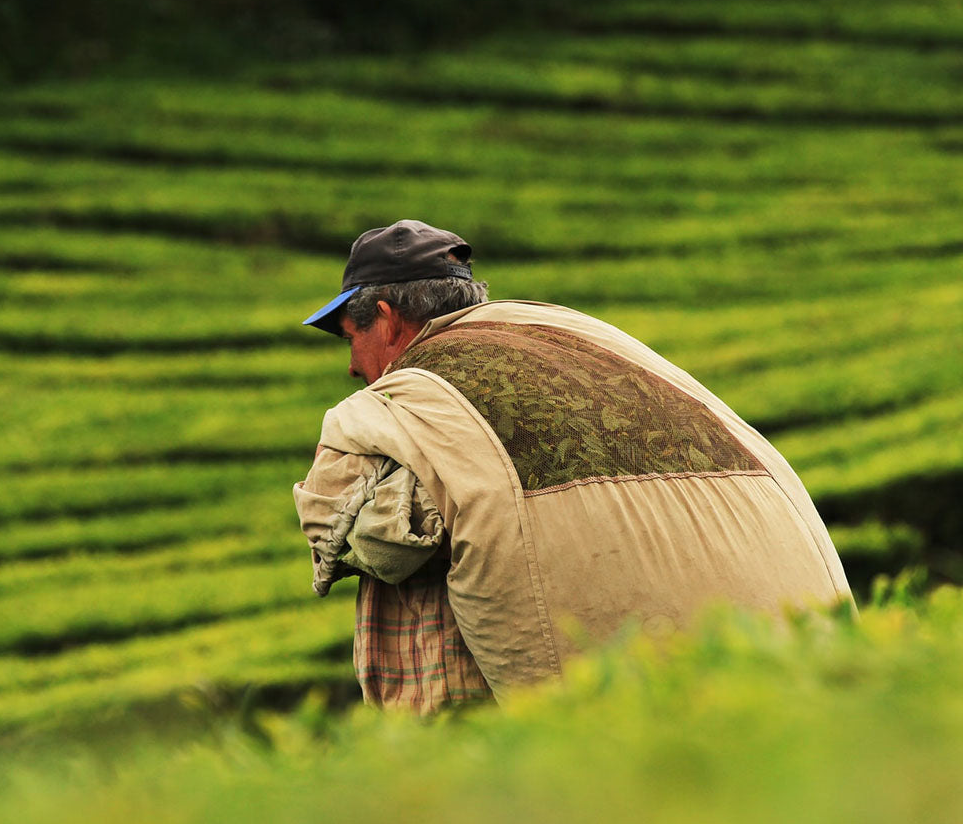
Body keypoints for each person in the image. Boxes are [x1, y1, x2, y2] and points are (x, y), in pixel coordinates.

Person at [294, 219, 854, 714]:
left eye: (352, 338)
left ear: (387, 320)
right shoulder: (573, 340)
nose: (351, 365)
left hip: (546, 713)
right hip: (783, 659)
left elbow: (341, 524)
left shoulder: (411, 396)